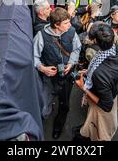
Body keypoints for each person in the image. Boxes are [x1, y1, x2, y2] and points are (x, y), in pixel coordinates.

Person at [33, 7, 81, 139]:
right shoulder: (41, 36)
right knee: (43, 105)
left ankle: (58, 127)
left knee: (64, 105)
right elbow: (34, 57)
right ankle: (43, 121)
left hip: (66, 77)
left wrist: (71, 63)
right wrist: (43, 69)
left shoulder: (71, 32)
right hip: (49, 78)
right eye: (66, 23)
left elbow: (77, 49)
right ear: (56, 25)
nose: (70, 25)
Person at [74, 23, 118, 141]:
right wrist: (89, 70)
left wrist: (83, 88)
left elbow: (107, 106)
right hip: (111, 89)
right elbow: (104, 68)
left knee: (96, 131)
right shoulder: (116, 50)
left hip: (101, 107)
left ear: (96, 41)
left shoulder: (100, 74)